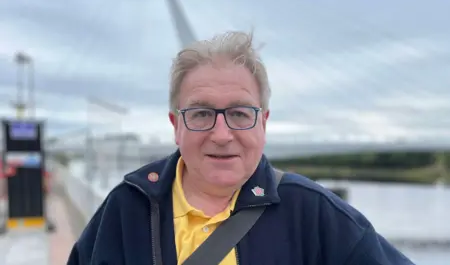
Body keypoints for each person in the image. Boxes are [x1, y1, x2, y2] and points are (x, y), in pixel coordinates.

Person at [67, 30, 415, 264]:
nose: (221, 134)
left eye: (239, 113)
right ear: (176, 126)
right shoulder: (127, 209)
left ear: (263, 123)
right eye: (201, 113)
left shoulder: (314, 214)